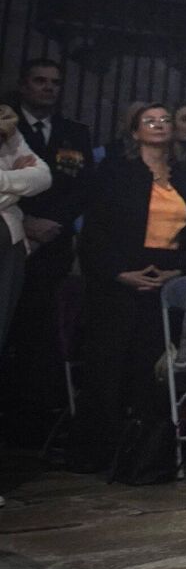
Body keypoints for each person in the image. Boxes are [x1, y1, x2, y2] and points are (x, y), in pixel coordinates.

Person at [72, 103, 186, 473]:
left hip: (169, 277)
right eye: (149, 121)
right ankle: (98, 453)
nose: (159, 125)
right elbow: (95, 232)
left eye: (165, 119)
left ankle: (145, 454)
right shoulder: (116, 171)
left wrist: (177, 272)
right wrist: (119, 273)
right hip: (118, 279)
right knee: (107, 368)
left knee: (150, 370)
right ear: (135, 131)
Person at [2, 58, 96, 438]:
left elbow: (81, 185)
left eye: (54, 82)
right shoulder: (10, 125)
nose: (48, 88)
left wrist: (54, 224)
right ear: (24, 85)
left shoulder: (74, 131)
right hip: (13, 233)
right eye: (40, 81)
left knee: (41, 335)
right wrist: (26, 221)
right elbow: (30, 182)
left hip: (53, 243)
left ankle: (33, 421)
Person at [0, 104, 52, 374]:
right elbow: (26, 182)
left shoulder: (5, 124)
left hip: (7, 238)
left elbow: (42, 177)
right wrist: (15, 188)